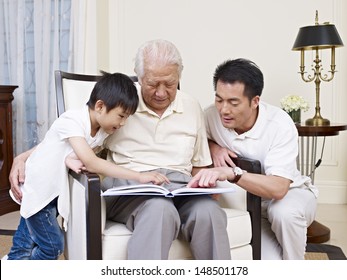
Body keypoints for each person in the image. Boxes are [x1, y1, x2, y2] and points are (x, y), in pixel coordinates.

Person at [9, 39, 231, 260]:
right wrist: (24, 157)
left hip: (180, 187)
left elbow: (200, 164)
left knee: (209, 213)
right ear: (139, 76)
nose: (161, 93)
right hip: (131, 192)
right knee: (160, 210)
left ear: (179, 77)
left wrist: (206, 183)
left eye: (170, 84)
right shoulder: (120, 107)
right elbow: (70, 137)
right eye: (153, 84)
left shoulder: (191, 106)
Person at [7, 72, 169, 260]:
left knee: (25, 241)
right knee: (53, 246)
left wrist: (69, 159)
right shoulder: (72, 120)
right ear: (100, 106)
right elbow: (91, 161)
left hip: (55, 192)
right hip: (38, 190)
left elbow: (66, 150)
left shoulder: (101, 131)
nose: (123, 123)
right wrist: (140, 176)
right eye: (121, 116)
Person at [188, 58, 318, 260]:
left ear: (255, 101)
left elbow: (279, 189)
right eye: (219, 99)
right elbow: (193, 143)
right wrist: (213, 147)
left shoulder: (279, 124)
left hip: (291, 196)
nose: (224, 109)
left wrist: (233, 173)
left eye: (233, 102)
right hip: (250, 205)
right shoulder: (210, 116)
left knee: (284, 213)